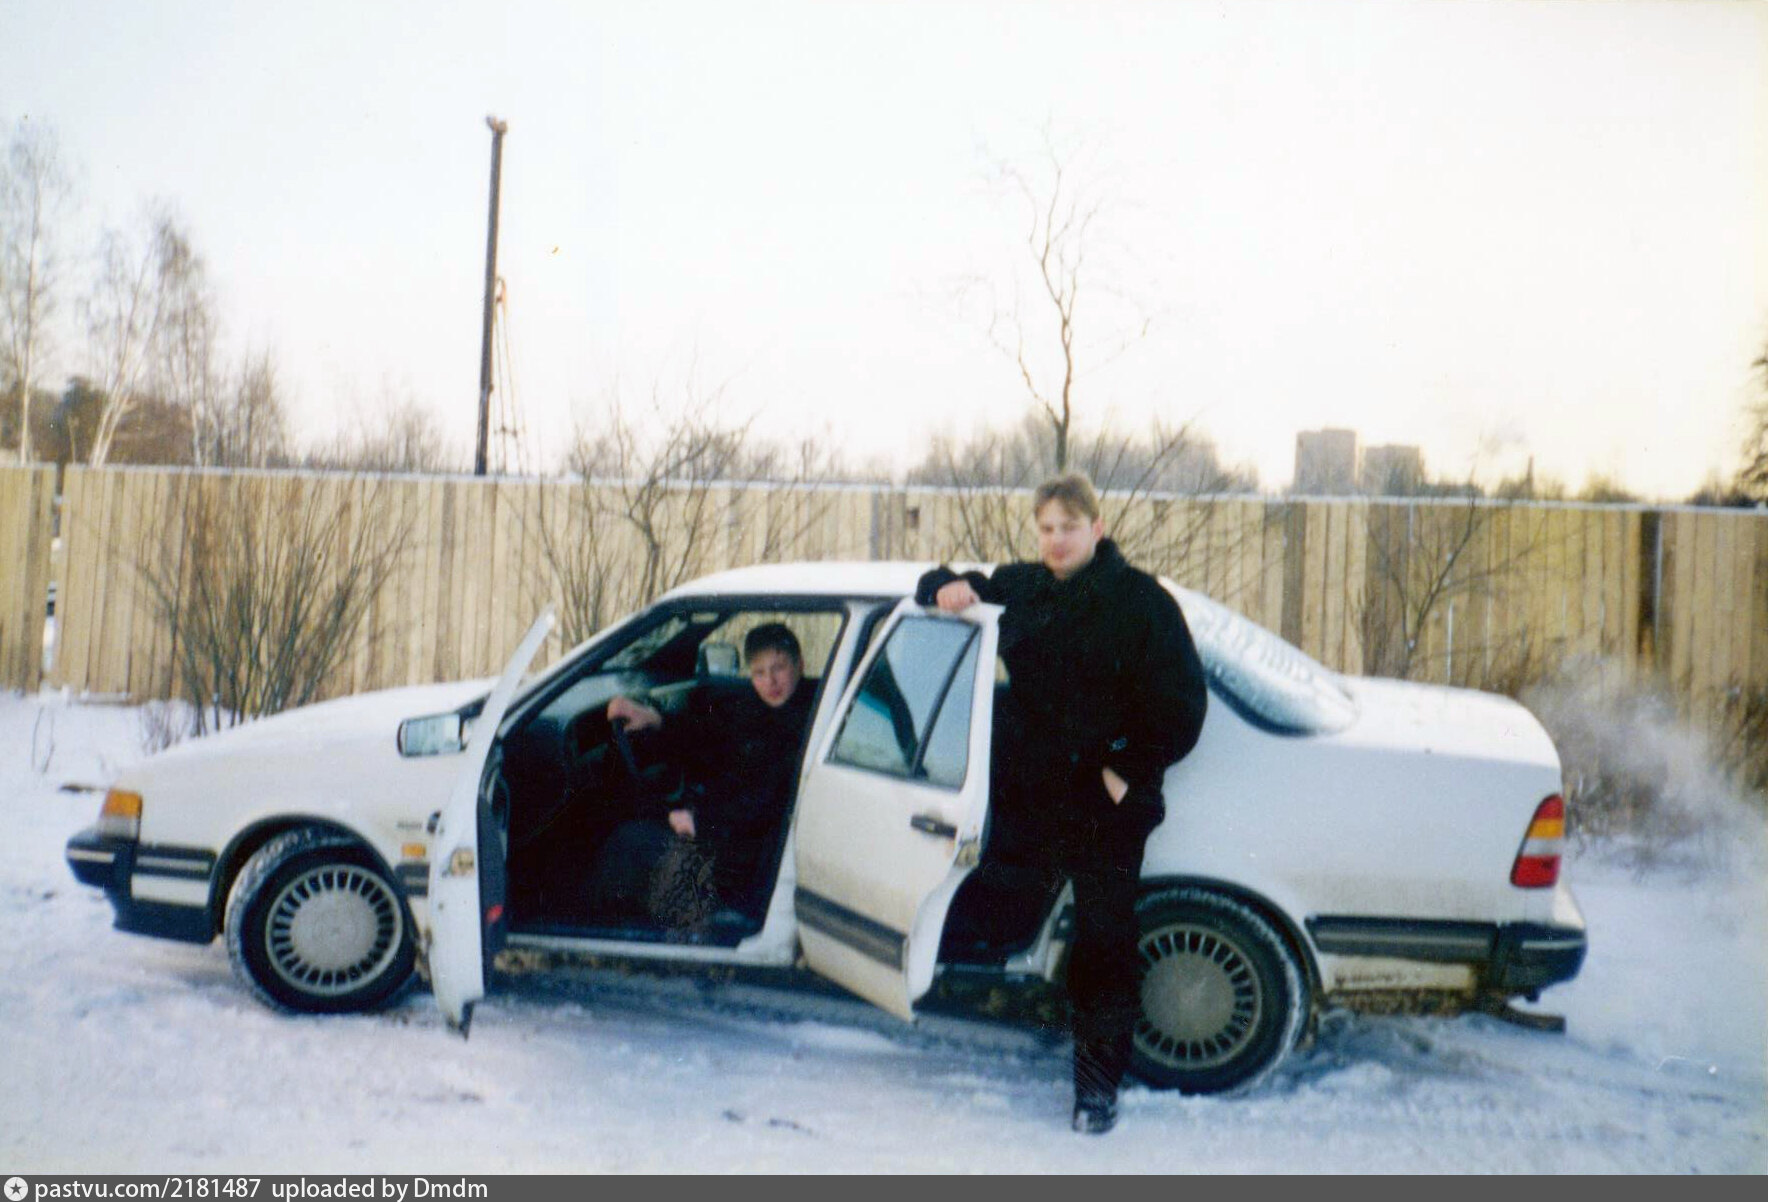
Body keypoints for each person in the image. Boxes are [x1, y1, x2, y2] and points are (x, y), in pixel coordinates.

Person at [916, 473, 1208, 1135]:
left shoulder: (1142, 601)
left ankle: (1096, 1091)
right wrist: (943, 586)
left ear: (1096, 529)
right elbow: (943, 583)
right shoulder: (1021, 585)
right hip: (1035, 797)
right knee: (1005, 904)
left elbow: (1183, 707)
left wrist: (1124, 768)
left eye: (1068, 528)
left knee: (1103, 942)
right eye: (1046, 528)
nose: (1055, 540)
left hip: (1107, 805)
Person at [598, 622, 816, 928]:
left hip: (752, 852)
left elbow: (766, 798)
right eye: (759, 672)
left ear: (800, 665)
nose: (770, 681)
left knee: (628, 843)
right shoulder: (759, 709)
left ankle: (611, 932)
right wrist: (655, 718)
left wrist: (698, 819)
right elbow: (710, 736)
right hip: (736, 833)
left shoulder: (803, 719)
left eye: (779, 668)